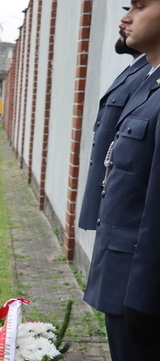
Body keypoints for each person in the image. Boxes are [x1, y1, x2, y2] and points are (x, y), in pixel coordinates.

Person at [81, 2, 160, 361]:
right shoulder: (146, 77)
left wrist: (144, 295)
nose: (125, 16)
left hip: (143, 284)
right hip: (124, 272)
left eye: (139, 4)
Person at [78, 26, 149, 232]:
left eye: (139, 8)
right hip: (108, 196)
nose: (123, 23)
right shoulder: (135, 69)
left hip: (124, 206)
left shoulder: (149, 74)